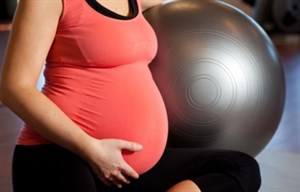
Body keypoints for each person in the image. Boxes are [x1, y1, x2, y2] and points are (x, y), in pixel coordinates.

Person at [0, 0, 261, 191]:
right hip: (63, 155)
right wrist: (91, 149)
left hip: (129, 172)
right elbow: (14, 87)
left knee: (239, 168)